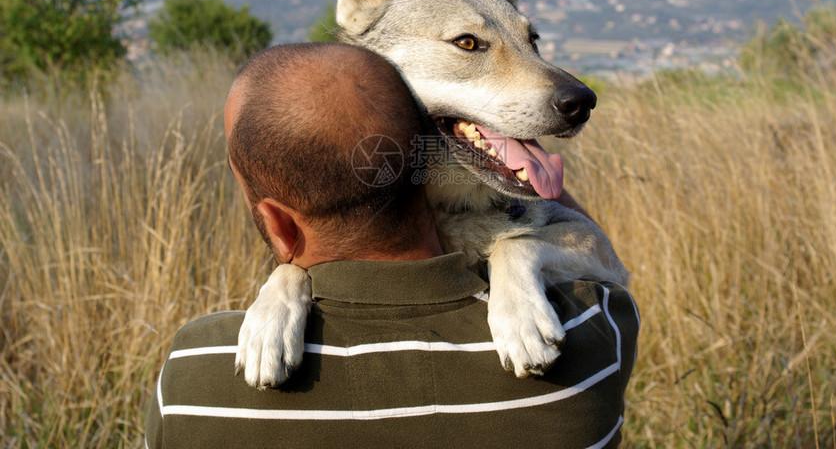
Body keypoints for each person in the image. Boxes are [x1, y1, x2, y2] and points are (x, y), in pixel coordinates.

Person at [145, 43, 639, 448]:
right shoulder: (588, 330)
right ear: (428, 160)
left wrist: (288, 277)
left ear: (277, 224)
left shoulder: (195, 374)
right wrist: (523, 164)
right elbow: (599, 257)